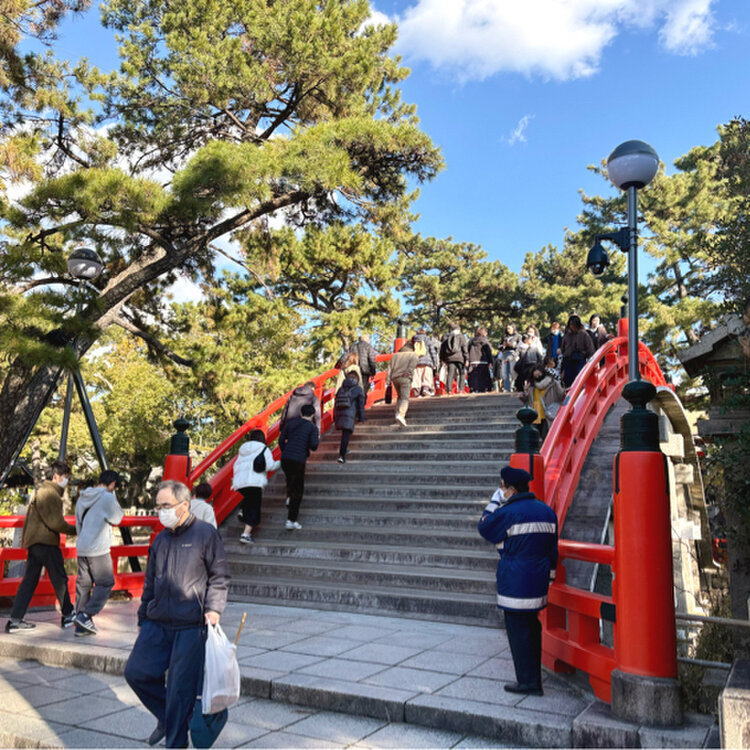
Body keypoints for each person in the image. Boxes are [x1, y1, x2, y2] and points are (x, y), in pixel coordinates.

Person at [124, 480, 229, 749]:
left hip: (190, 625)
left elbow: (219, 576)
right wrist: (142, 617)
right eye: (159, 506)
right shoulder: (160, 539)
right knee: (136, 672)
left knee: (179, 690)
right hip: (157, 622)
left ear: (184, 505)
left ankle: (176, 743)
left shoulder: (205, 534)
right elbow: (150, 582)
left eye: (166, 505)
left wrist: (214, 608)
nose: (161, 511)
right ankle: (167, 718)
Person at [478, 466, 558, 696]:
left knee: (518, 631)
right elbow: (553, 549)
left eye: (502, 487)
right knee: (532, 627)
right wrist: (550, 576)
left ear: (512, 490)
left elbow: (484, 526)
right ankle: (534, 679)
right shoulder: (546, 511)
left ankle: (528, 682)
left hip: (515, 580)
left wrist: (495, 501)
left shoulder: (508, 513)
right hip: (538, 577)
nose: (501, 490)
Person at [5, 460, 77, 633]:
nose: (66, 480)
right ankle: (68, 614)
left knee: (29, 581)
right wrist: (75, 530)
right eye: (65, 476)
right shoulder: (50, 493)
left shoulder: (41, 491)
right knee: (59, 578)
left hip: (35, 544)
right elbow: (55, 522)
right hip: (46, 543)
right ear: (56, 476)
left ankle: (15, 620)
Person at [73, 469, 125, 637]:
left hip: (82, 546)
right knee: (106, 583)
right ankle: (85, 615)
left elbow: (78, 521)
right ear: (113, 484)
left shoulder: (83, 496)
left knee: (84, 585)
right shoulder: (107, 497)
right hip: (98, 549)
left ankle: (81, 626)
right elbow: (117, 518)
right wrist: (114, 497)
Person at [232, 429, 280, 543]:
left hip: (241, 482)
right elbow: (270, 466)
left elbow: (236, 466)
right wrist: (281, 462)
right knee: (254, 507)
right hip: (255, 482)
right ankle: (245, 534)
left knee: (249, 499)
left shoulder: (243, 450)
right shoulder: (264, 449)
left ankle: (243, 510)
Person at [279, 403, 320, 529]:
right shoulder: (312, 428)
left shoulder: (290, 423)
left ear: (301, 413)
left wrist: (286, 450)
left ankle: (288, 497)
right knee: (298, 490)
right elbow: (314, 446)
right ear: (312, 415)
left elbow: (281, 440)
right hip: (298, 459)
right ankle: (291, 520)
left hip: (285, 458)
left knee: (290, 478)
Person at [521, 366, 566, 440]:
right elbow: (527, 400)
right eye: (535, 376)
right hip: (535, 414)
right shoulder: (531, 386)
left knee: (546, 437)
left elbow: (561, 395)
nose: (537, 377)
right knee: (533, 438)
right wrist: (524, 394)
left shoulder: (552, 383)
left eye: (539, 375)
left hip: (548, 414)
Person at [334, 371, 365, 463]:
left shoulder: (341, 389)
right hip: (349, 413)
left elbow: (335, 403)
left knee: (344, 434)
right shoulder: (358, 389)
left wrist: (334, 417)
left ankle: (344, 449)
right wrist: (361, 417)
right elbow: (361, 404)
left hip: (339, 413)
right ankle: (341, 455)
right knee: (346, 435)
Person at [386, 340, 419, 427]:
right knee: (404, 397)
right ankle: (401, 415)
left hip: (395, 377)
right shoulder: (413, 355)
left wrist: (388, 381)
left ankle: (397, 413)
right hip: (405, 377)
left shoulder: (395, 356)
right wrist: (408, 372)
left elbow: (389, 369)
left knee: (400, 396)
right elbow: (412, 366)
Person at [560, 314, 595, 387]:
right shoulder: (567, 334)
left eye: (573, 325)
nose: (572, 327)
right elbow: (563, 347)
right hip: (568, 358)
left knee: (578, 378)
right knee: (568, 379)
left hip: (579, 358)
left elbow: (590, 348)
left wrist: (591, 359)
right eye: (571, 324)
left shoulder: (584, 334)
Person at [440, 322, 469, 395]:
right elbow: (464, 348)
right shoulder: (461, 336)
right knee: (462, 373)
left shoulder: (445, 337)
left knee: (450, 374)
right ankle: (461, 389)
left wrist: (443, 359)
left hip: (450, 358)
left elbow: (442, 349)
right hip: (460, 358)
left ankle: (449, 390)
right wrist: (466, 358)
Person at [411, 329, 439, 397]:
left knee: (417, 378)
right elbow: (432, 352)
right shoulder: (428, 340)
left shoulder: (413, 341)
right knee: (426, 377)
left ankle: (417, 392)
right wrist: (435, 363)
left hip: (416, 362)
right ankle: (425, 390)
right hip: (427, 362)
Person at [467, 326, 494, 393]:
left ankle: (473, 389)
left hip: (473, 360)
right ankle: (483, 389)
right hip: (483, 361)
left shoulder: (471, 341)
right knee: (483, 377)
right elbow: (488, 352)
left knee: (474, 376)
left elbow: (467, 351)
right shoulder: (485, 341)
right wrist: (490, 361)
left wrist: (467, 359)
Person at [496, 324, 521, 393]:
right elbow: (499, 346)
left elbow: (520, 346)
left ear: (513, 328)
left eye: (509, 328)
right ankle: (507, 388)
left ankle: (515, 386)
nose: (508, 330)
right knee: (505, 372)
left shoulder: (518, 336)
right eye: (507, 328)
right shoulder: (505, 337)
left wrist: (512, 345)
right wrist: (503, 345)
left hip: (513, 355)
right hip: (505, 355)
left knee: (513, 371)